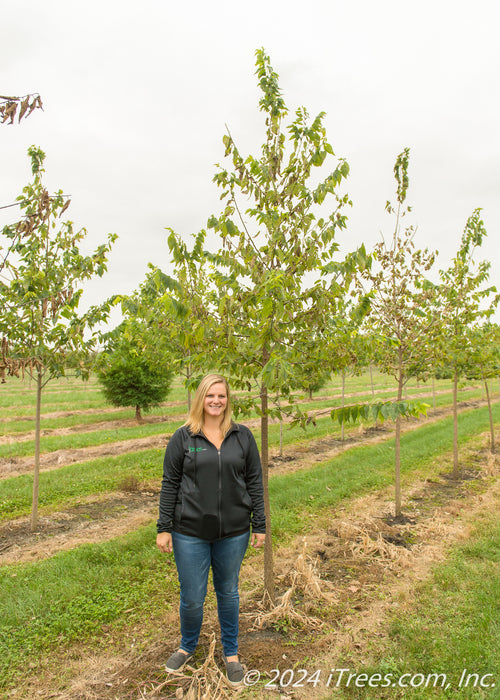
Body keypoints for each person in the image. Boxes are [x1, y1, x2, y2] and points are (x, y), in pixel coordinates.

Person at [156, 373, 266, 687]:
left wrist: (259, 523)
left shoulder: (242, 436)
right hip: (189, 531)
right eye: (209, 396)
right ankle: (187, 645)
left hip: (233, 532)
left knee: (228, 592)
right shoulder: (183, 438)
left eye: (221, 396)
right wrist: (165, 528)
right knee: (192, 597)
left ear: (228, 399)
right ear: (200, 399)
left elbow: (255, 482)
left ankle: (231, 654)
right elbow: (169, 484)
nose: (216, 401)